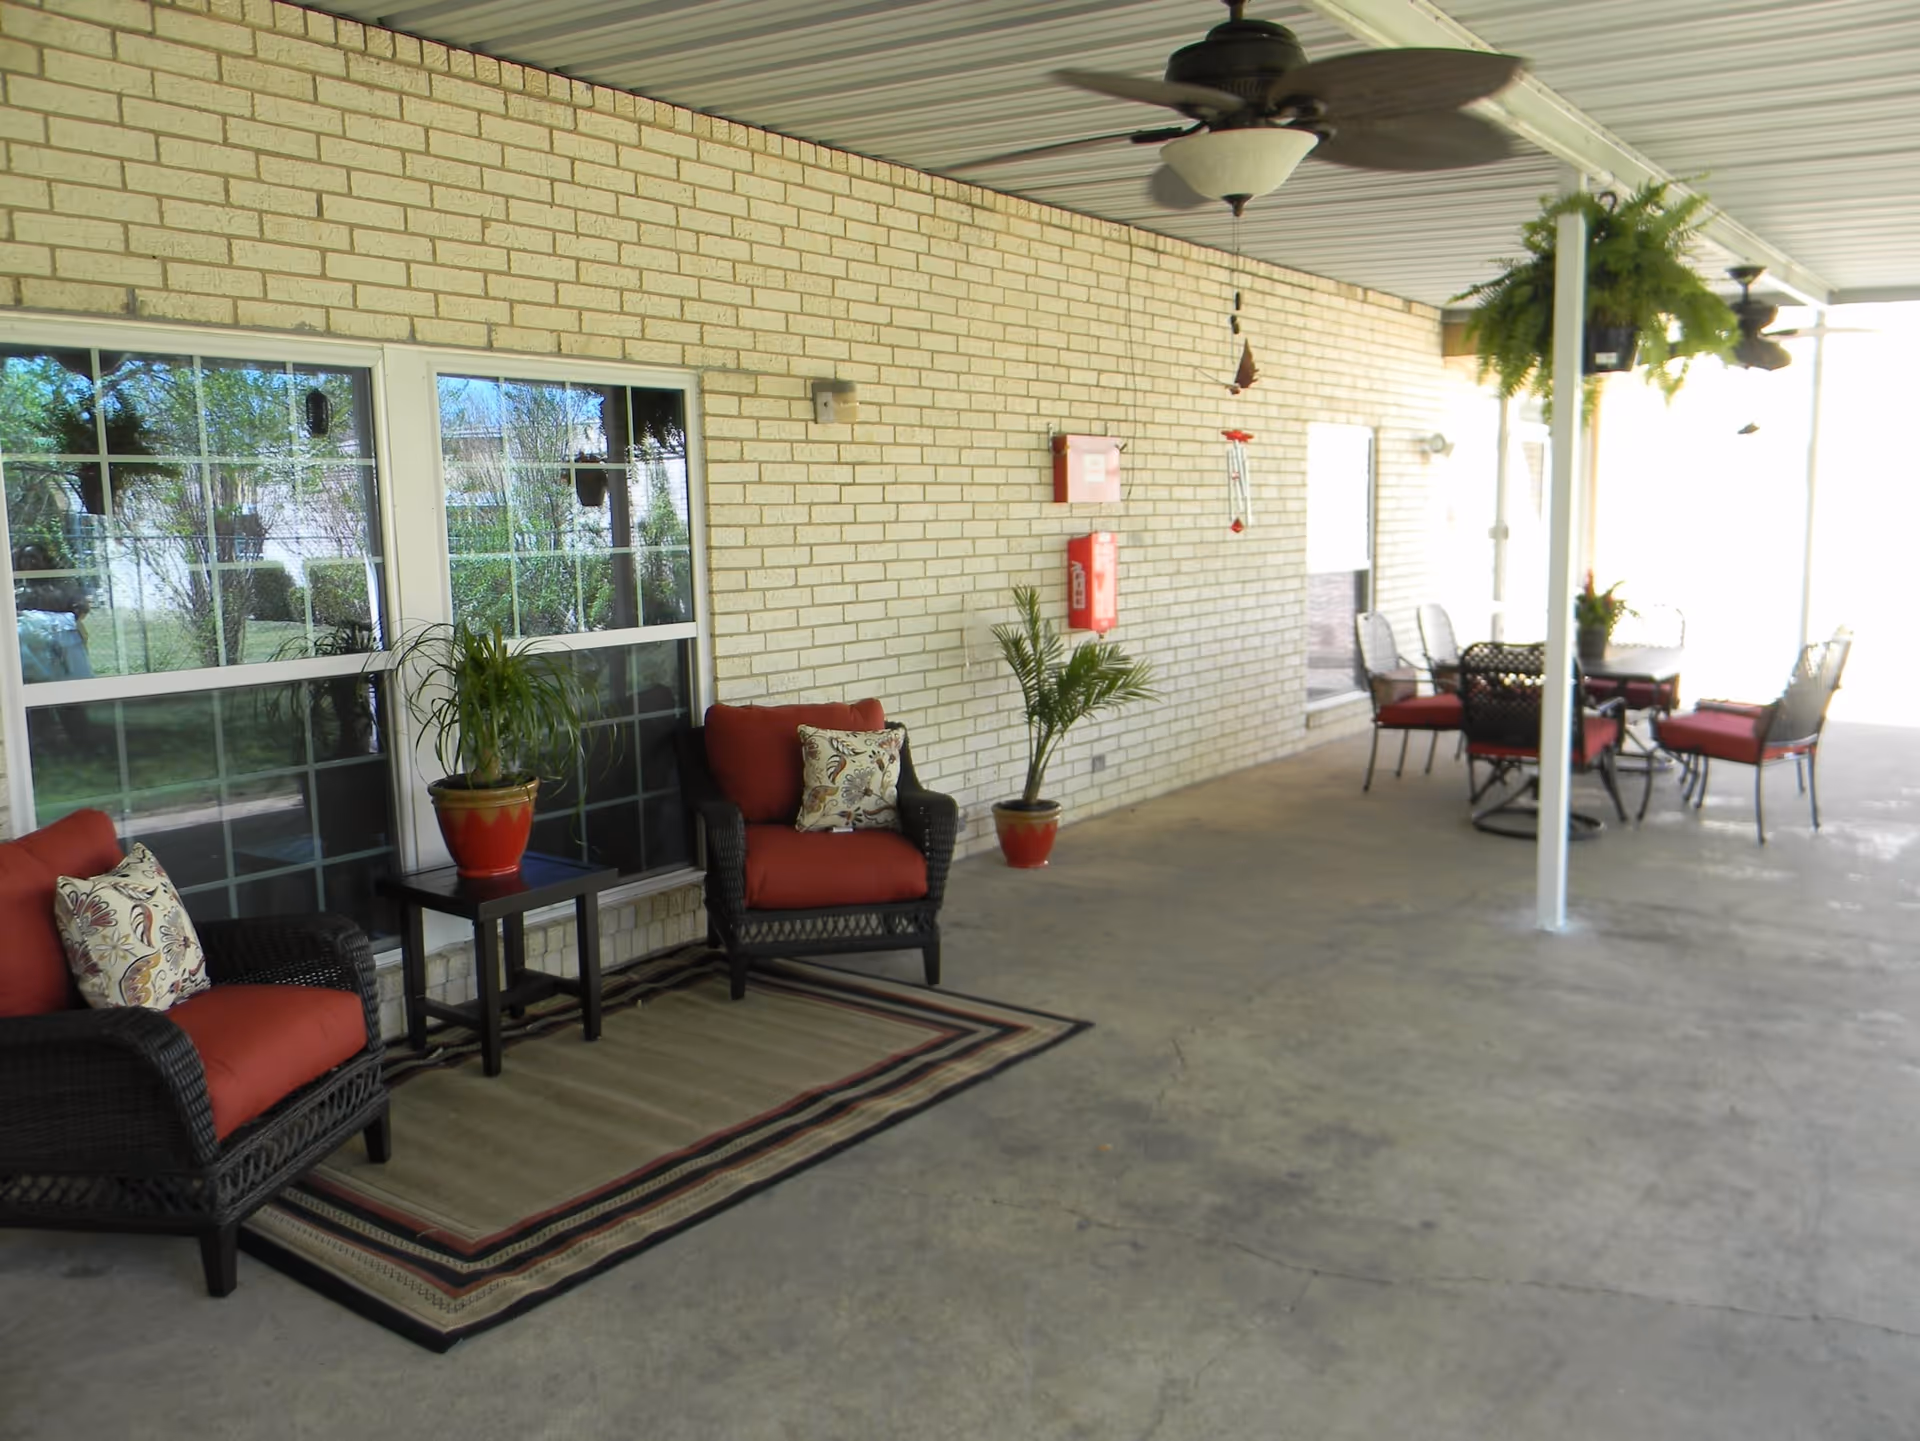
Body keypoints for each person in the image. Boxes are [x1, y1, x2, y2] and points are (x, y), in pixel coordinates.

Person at [13, 542, 95, 685]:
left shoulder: (62, 587)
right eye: (24, 558)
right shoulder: (18, 592)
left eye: (33, 557)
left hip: (65, 651)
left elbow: (81, 609)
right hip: (33, 657)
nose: (29, 563)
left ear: (45, 561)